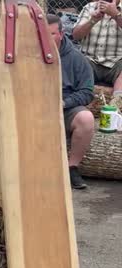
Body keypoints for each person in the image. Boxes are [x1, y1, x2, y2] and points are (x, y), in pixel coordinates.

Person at [48, 14, 96, 190]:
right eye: (43, 34)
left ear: (61, 34)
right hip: (33, 107)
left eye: (52, 34)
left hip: (65, 106)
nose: (47, 38)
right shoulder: (28, 53)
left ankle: (72, 167)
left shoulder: (77, 58)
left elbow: (87, 92)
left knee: (86, 119)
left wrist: (64, 103)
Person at [72, 0, 122, 107]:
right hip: (90, 59)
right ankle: (79, 101)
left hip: (117, 61)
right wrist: (93, 20)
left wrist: (116, 15)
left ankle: (117, 104)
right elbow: (76, 35)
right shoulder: (89, 7)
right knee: (76, 63)